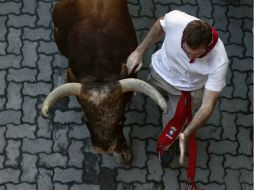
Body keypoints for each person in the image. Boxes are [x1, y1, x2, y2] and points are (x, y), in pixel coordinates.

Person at [126, 10, 229, 166]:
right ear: (182, 36)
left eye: (195, 55)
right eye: (185, 50)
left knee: (174, 124)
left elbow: (208, 105)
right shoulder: (176, 20)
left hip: (187, 91)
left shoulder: (219, 60)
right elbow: (160, 24)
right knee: (150, 95)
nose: (189, 58)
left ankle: (167, 143)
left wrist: (186, 134)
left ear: (207, 46)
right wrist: (139, 51)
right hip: (159, 73)